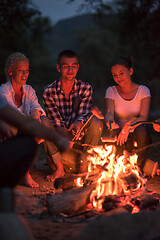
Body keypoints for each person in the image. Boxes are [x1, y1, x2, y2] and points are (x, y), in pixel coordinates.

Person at [43, 49, 103, 182]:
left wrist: (79, 122)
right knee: (43, 121)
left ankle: (83, 167)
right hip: (59, 142)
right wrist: (65, 137)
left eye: (73, 66)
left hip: (80, 141)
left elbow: (83, 114)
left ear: (78, 67)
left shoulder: (86, 88)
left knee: (96, 122)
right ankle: (59, 168)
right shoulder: (49, 91)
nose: (70, 70)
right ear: (59, 68)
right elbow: (56, 122)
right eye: (66, 66)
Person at [0, 52, 53, 188]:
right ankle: (25, 173)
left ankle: (55, 164)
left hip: (25, 128)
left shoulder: (29, 90)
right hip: (8, 130)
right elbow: (13, 114)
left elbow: (36, 105)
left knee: (45, 120)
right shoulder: (3, 90)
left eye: (27, 71)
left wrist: (35, 114)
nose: (25, 74)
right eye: (20, 71)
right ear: (10, 72)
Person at [0, 94, 69, 188]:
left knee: (40, 123)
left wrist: (35, 115)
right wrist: (58, 139)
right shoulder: (4, 91)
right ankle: (13, 180)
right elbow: (22, 121)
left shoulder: (27, 90)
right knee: (29, 144)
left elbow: (32, 111)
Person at [105, 56, 152, 175]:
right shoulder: (111, 91)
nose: (118, 78)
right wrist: (109, 121)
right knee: (110, 133)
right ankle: (118, 170)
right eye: (114, 75)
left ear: (130, 71)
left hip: (136, 133)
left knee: (142, 130)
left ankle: (138, 170)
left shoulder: (143, 91)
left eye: (121, 73)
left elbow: (143, 117)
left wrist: (128, 127)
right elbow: (109, 113)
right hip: (119, 133)